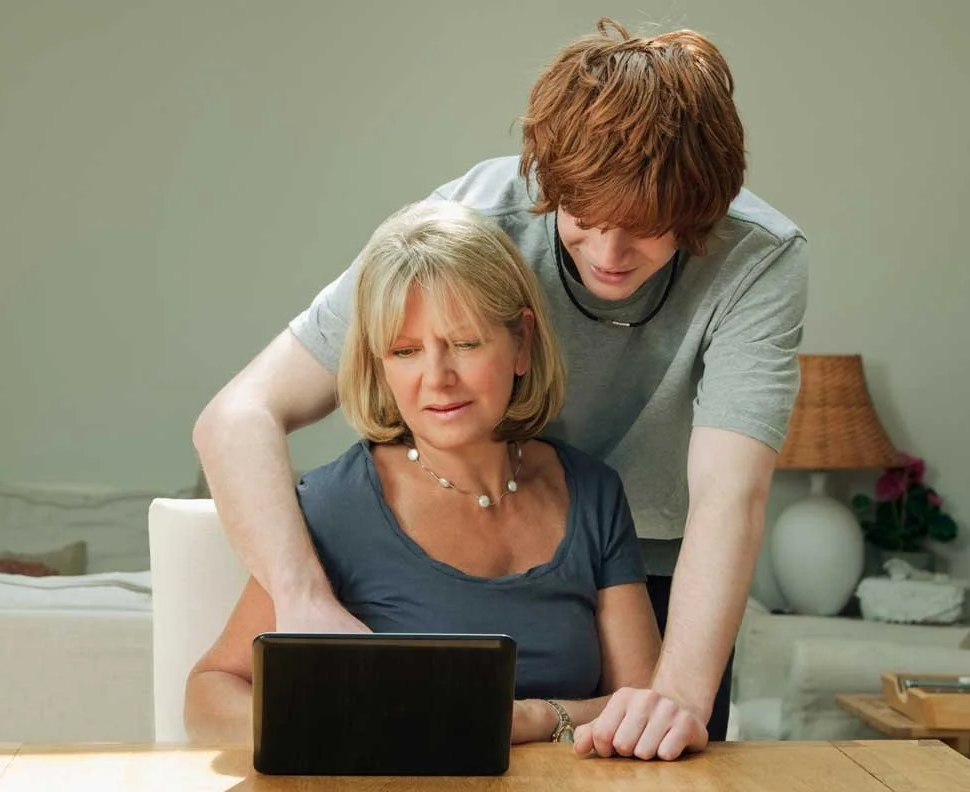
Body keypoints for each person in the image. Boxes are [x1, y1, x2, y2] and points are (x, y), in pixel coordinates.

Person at [194, 19, 807, 761]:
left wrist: (672, 699)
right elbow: (239, 414)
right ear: (549, 185)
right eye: (586, 220)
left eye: (647, 229)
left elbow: (728, 496)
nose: (610, 256)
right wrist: (303, 598)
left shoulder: (758, 260)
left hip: (660, 563)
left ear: (703, 212)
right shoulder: (469, 225)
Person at [185, 200, 661, 746]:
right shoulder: (335, 508)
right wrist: (338, 731)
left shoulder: (593, 493)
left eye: (464, 343)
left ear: (522, 343)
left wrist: (533, 718)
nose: (437, 378)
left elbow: (644, 705)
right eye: (406, 351)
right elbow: (209, 692)